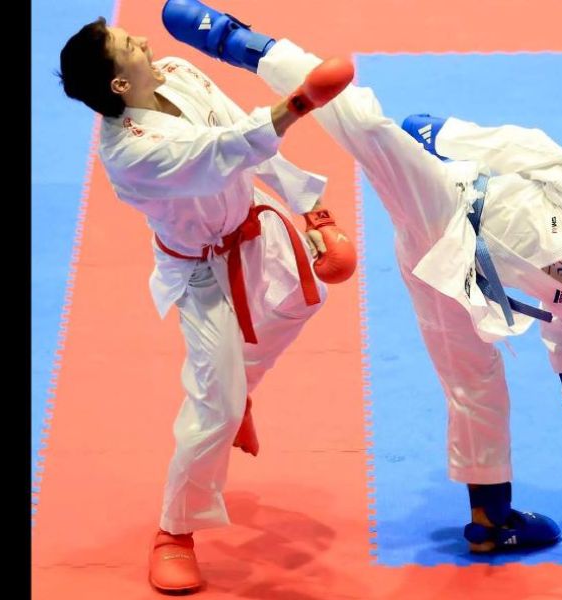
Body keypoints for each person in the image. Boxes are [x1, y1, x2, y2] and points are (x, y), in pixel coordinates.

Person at [162, 0, 562, 559]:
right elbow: (534, 149)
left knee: (480, 383)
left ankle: (491, 517)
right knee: (370, 128)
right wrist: (450, 137)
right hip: (450, 205)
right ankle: (244, 44)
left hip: (457, 283)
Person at [58, 12, 358, 594]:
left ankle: (237, 387)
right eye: (128, 44)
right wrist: (299, 103)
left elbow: (246, 136)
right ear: (120, 84)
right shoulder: (129, 153)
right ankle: (174, 533)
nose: (143, 40)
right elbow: (225, 148)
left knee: (308, 297)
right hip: (200, 272)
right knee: (213, 412)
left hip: (252, 222)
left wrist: (311, 210)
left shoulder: (176, 71)